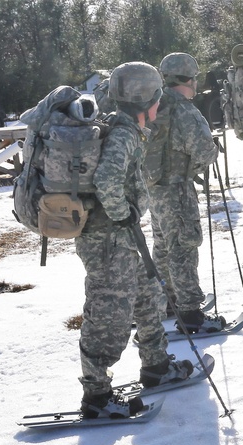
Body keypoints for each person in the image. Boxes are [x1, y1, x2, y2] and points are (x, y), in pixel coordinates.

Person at [77, 61, 195, 419]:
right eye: (158, 97)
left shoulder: (128, 127)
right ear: (148, 100)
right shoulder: (124, 133)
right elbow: (107, 181)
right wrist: (121, 213)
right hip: (108, 241)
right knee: (108, 316)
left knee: (148, 298)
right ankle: (96, 397)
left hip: (124, 236)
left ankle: (156, 366)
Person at [146, 52, 224, 334]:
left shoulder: (155, 105)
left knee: (164, 246)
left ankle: (166, 301)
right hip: (178, 188)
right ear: (189, 79)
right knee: (184, 247)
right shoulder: (186, 111)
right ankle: (190, 313)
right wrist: (214, 149)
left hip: (154, 188)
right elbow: (204, 152)